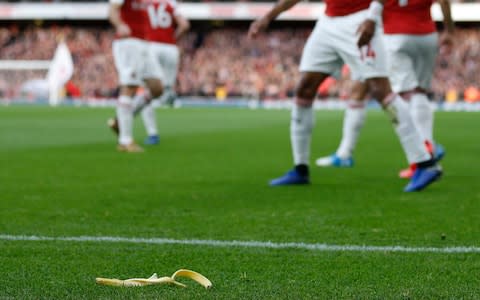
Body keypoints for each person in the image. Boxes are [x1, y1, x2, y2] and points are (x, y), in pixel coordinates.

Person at [248, 0, 442, 192]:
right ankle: (300, 169)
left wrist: (372, 17)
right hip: (328, 23)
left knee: (380, 89)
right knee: (304, 88)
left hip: (360, 19)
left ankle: (425, 163)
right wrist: (267, 17)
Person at [316, 0, 453, 180]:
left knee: (397, 93)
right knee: (416, 92)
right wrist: (450, 30)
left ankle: (424, 151)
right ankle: (345, 153)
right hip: (426, 34)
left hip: (389, 36)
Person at [108, 0, 164, 152]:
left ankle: (121, 121)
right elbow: (112, 10)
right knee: (130, 86)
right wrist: (119, 24)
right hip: (128, 42)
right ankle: (125, 141)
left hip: (145, 43)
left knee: (157, 87)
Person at [138, 0, 190, 145]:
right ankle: (169, 95)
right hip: (171, 49)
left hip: (152, 46)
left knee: (148, 91)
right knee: (165, 89)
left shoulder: (145, 2)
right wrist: (173, 38)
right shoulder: (171, 3)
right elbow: (184, 25)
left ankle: (152, 133)